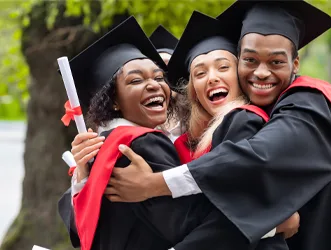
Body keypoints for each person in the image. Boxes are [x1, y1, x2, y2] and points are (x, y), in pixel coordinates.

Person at [104, 1, 331, 250]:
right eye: (249, 60)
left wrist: (154, 185)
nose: (261, 72)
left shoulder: (308, 104)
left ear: (295, 64)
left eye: (275, 62)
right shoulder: (243, 118)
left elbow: (258, 157)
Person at [60, 12, 297, 250]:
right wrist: (272, 223)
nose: (154, 85)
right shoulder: (143, 144)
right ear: (113, 101)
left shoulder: (108, 146)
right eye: (135, 81)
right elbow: (185, 223)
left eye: (160, 77)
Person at [149, 24, 186, 141]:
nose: (162, 76)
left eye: (169, 67)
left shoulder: (200, 124)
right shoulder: (137, 127)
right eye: (156, 70)